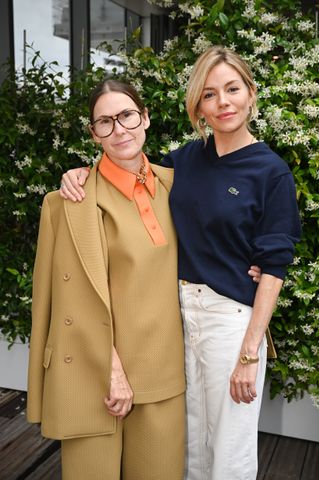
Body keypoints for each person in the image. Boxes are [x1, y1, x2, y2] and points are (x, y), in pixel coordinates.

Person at [59, 46, 300, 480]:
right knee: (189, 445)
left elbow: (275, 267)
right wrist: (80, 173)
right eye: (209, 94)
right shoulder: (185, 161)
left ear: (251, 93)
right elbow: (132, 178)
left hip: (231, 322)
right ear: (198, 107)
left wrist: (249, 353)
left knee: (229, 447)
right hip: (178, 319)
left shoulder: (272, 172)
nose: (222, 102)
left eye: (232, 89)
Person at [27, 79, 188, 480]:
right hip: (94, 374)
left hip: (162, 372)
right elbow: (70, 303)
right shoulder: (67, 202)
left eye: (127, 116)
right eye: (105, 122)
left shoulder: (178, 187)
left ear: (145, 117)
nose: (119, 130)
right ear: (93, 133)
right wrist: (112, 371)